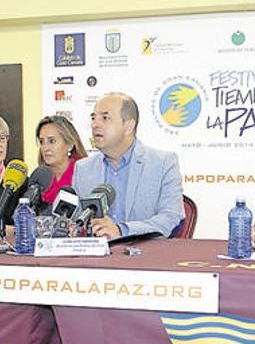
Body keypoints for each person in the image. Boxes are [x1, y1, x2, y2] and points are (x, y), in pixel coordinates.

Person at [73, 92, 184, 239]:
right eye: (93, 118)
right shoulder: (83, 168)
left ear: (128, 126)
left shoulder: (163, 163)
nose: (95, 125)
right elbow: (75, 220)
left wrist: (122, 230)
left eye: (105, 118)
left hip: (144, 256)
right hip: (96, 258)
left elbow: (170, 217)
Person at [35, 115, 88, 207]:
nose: (45, 148)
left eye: (52, 141)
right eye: (42, 142)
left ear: (70, 144)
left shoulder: (83, 174)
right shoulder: (40, 177)